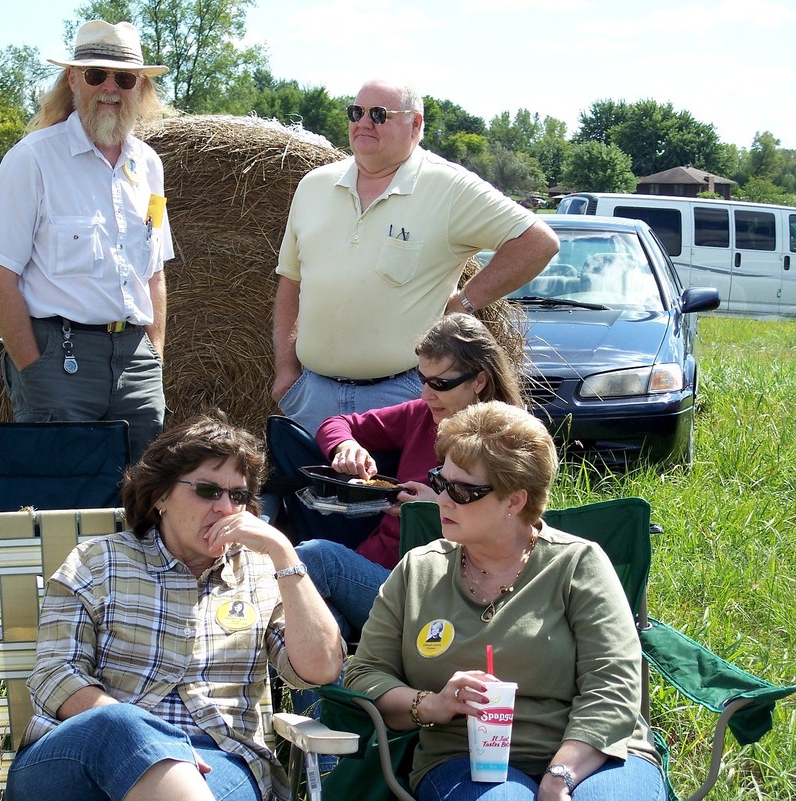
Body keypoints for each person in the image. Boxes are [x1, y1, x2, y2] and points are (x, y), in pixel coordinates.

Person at [4, 412, 345, 801]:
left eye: (238, 496)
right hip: (82, 756)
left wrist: (284, 553)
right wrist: (152, 745)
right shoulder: (98, 562)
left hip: (217, 759)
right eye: (208, 490)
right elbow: (55, 675)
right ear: (160, 495)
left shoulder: (263, 573)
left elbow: (320, 669)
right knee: (119, 722)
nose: (225, 508)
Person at [344, 402, 666, 801]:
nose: (442, 499)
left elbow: (613, 685)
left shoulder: (577, 564)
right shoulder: (418, 571)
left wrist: (560, 775)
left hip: (594, 754)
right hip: (465, 757)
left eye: (462, 490)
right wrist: (429, 704)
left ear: (514, 501)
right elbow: (367, 673)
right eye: (440, 481)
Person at [272, 77, 559, 434]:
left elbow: (538, 242)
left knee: (404, 476)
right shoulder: (313, 185)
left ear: (415, 124)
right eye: (356, 112)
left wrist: (464, 303)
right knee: (310, 475)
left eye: (379, 114)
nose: (364, 122)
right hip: (313, 396)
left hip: (405, 397)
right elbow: (291, 282)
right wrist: (287, 371)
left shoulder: (450, 187)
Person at [0, 20, 172, 463]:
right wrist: (34, 369)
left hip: (136, 363)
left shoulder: (149, 166)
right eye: (96, 75)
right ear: (74, 79)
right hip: (60, 360)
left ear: (140, 87)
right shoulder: (33, 159)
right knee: (61, 493)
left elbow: (154, 273)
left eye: (125, 78)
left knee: (143, 493)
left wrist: (154, 357)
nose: (110, 88)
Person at [295, 313, 523, 641]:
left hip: (433, 593)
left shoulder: (508, 442)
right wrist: (345, 447)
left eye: (440, 384)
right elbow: (336, 424)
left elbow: (511, 538)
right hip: (376, 571)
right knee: (311, 623)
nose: (427, 394)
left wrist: (433, 509)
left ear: (479, 381)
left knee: (314, 557)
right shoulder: (422, 415)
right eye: (422, 379)